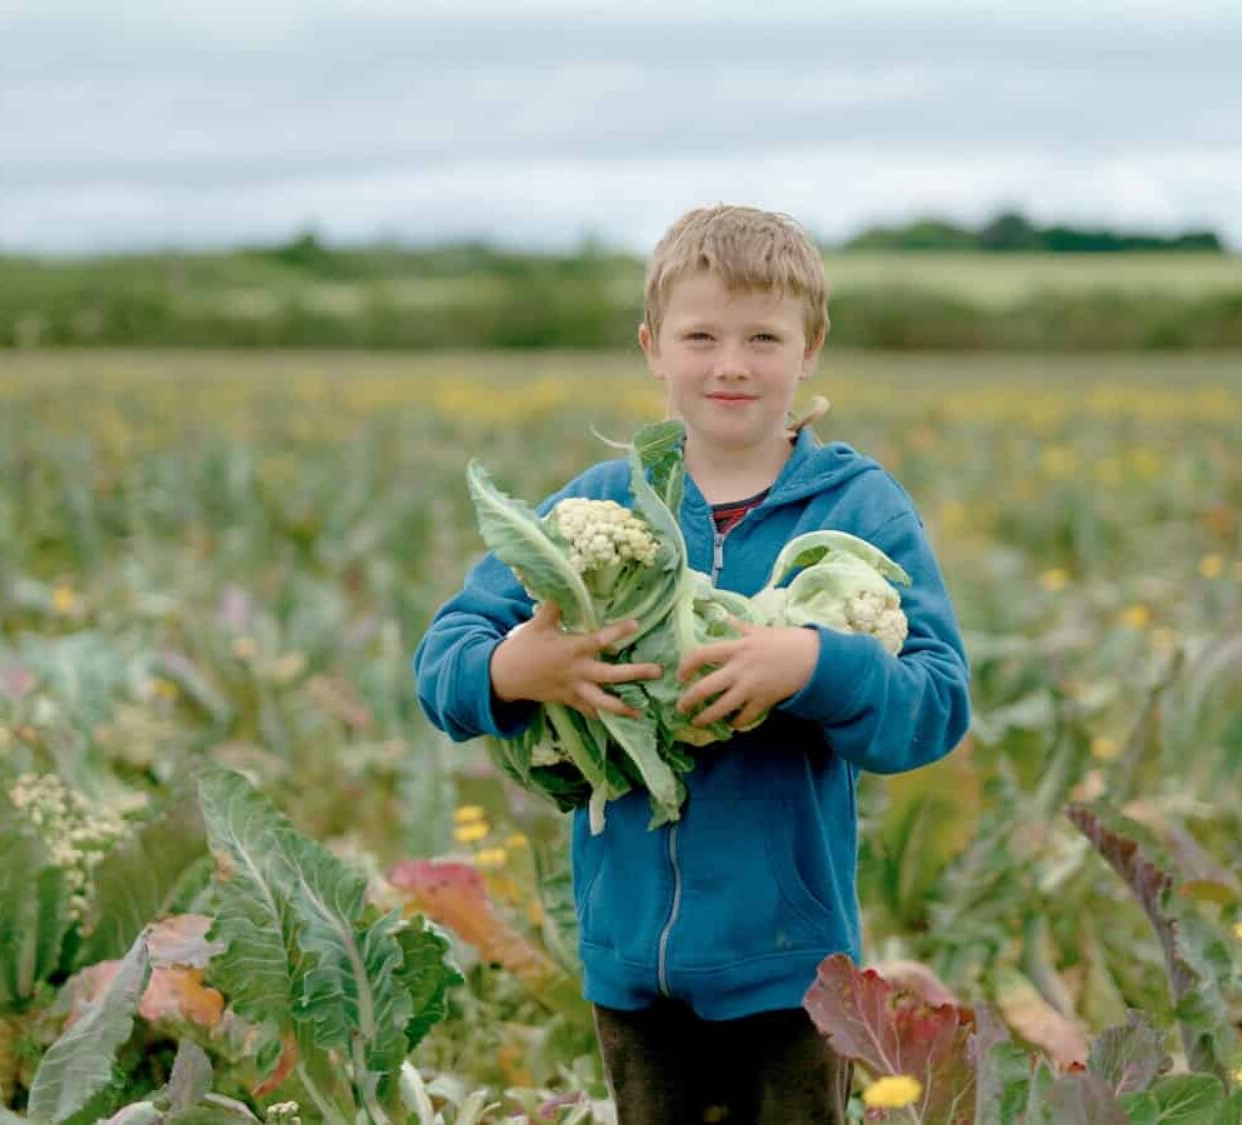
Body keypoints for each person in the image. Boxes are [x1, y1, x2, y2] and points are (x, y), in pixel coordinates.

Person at [413, 204, 972, 1124]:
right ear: (652, 347)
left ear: (811, 346)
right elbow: (445, 659)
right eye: (701, 335)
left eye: (763, 336)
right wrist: (523, 667)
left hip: (791, 961)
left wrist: (812, 663)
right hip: (628, 958)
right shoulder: (598, 505)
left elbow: (937, 703)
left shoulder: (861, 508)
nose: (731, 364)